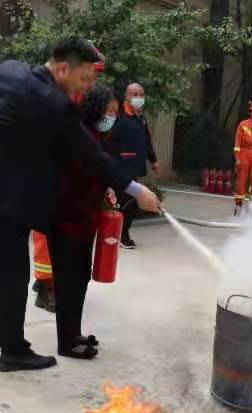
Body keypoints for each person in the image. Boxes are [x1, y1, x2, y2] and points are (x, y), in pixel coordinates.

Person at [0, 36, 160, 372]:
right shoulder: (54, 102)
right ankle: (13, 351)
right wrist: (134, 188)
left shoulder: (7, 70)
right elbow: (90, 153)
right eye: (83, 78)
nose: (86, 87)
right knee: (13, 273)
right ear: (62, 69)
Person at [32, 47, 106, 313]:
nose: (91, 82)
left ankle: (54, 283)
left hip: (68, 175)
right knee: (45, 235)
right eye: (89, 76)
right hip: (48, 173)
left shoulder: (80, 95)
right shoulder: (55, 94)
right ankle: (45, 286)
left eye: (95, 76)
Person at [49, 85, 119, 360]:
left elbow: (98, 172)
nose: (112, 117)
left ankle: (74, 333)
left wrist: (106, 188)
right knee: (67, 281)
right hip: (66, 220)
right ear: (95, 109)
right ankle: (66, 343)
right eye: (109, 111)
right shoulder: (80, 135)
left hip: (85, 221)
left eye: (115, 112)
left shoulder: (97, 136)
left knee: (79, 279)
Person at [111, 82, 160, 249]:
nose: (139, 98)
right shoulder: (118, 116)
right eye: (135, 94)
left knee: (131, 202)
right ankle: (121, 235)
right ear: (126, 96)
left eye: (141, 95)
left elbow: (146, 141)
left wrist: (153, 159)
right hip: (120, 167)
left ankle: (122, 233)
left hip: (134, 168)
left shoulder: (140, 118)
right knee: (125, 202)